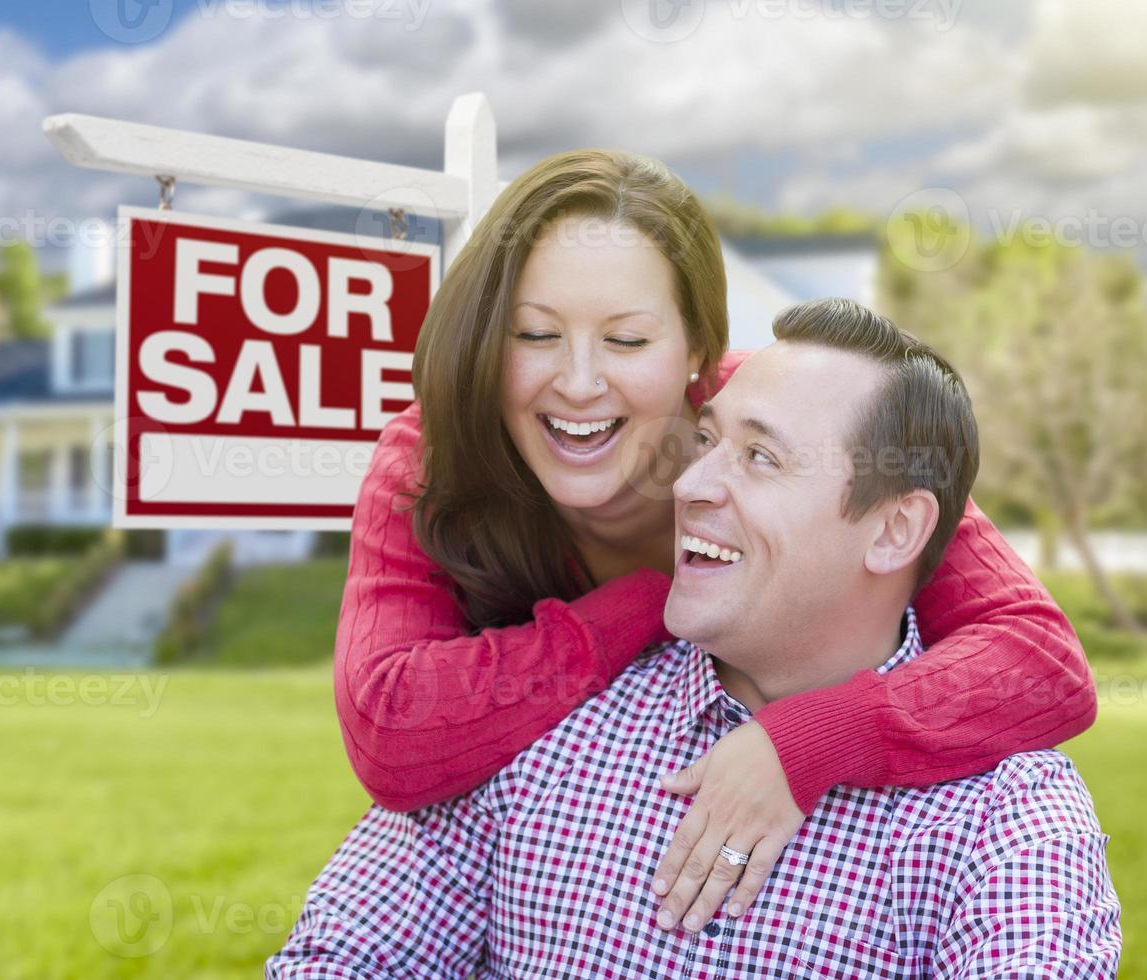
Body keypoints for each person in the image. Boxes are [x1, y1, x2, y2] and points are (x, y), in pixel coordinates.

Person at [334, 149, 1095, 930]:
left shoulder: (777, 419)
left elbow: (1041, 662)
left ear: (697, 351)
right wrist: (645, 603)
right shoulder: (435, 456)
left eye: (628, 341)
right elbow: (392, 730)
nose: (580, 382)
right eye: (534, 334)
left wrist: (808, 741)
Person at [269, 299, 1121, 977]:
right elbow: (337, 958)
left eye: (761, 459)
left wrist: (811, 742)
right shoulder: (544, 721)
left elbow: (1043, 656)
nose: (689, 483)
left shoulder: (1008, 822)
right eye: (706, 442)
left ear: (896, 532)